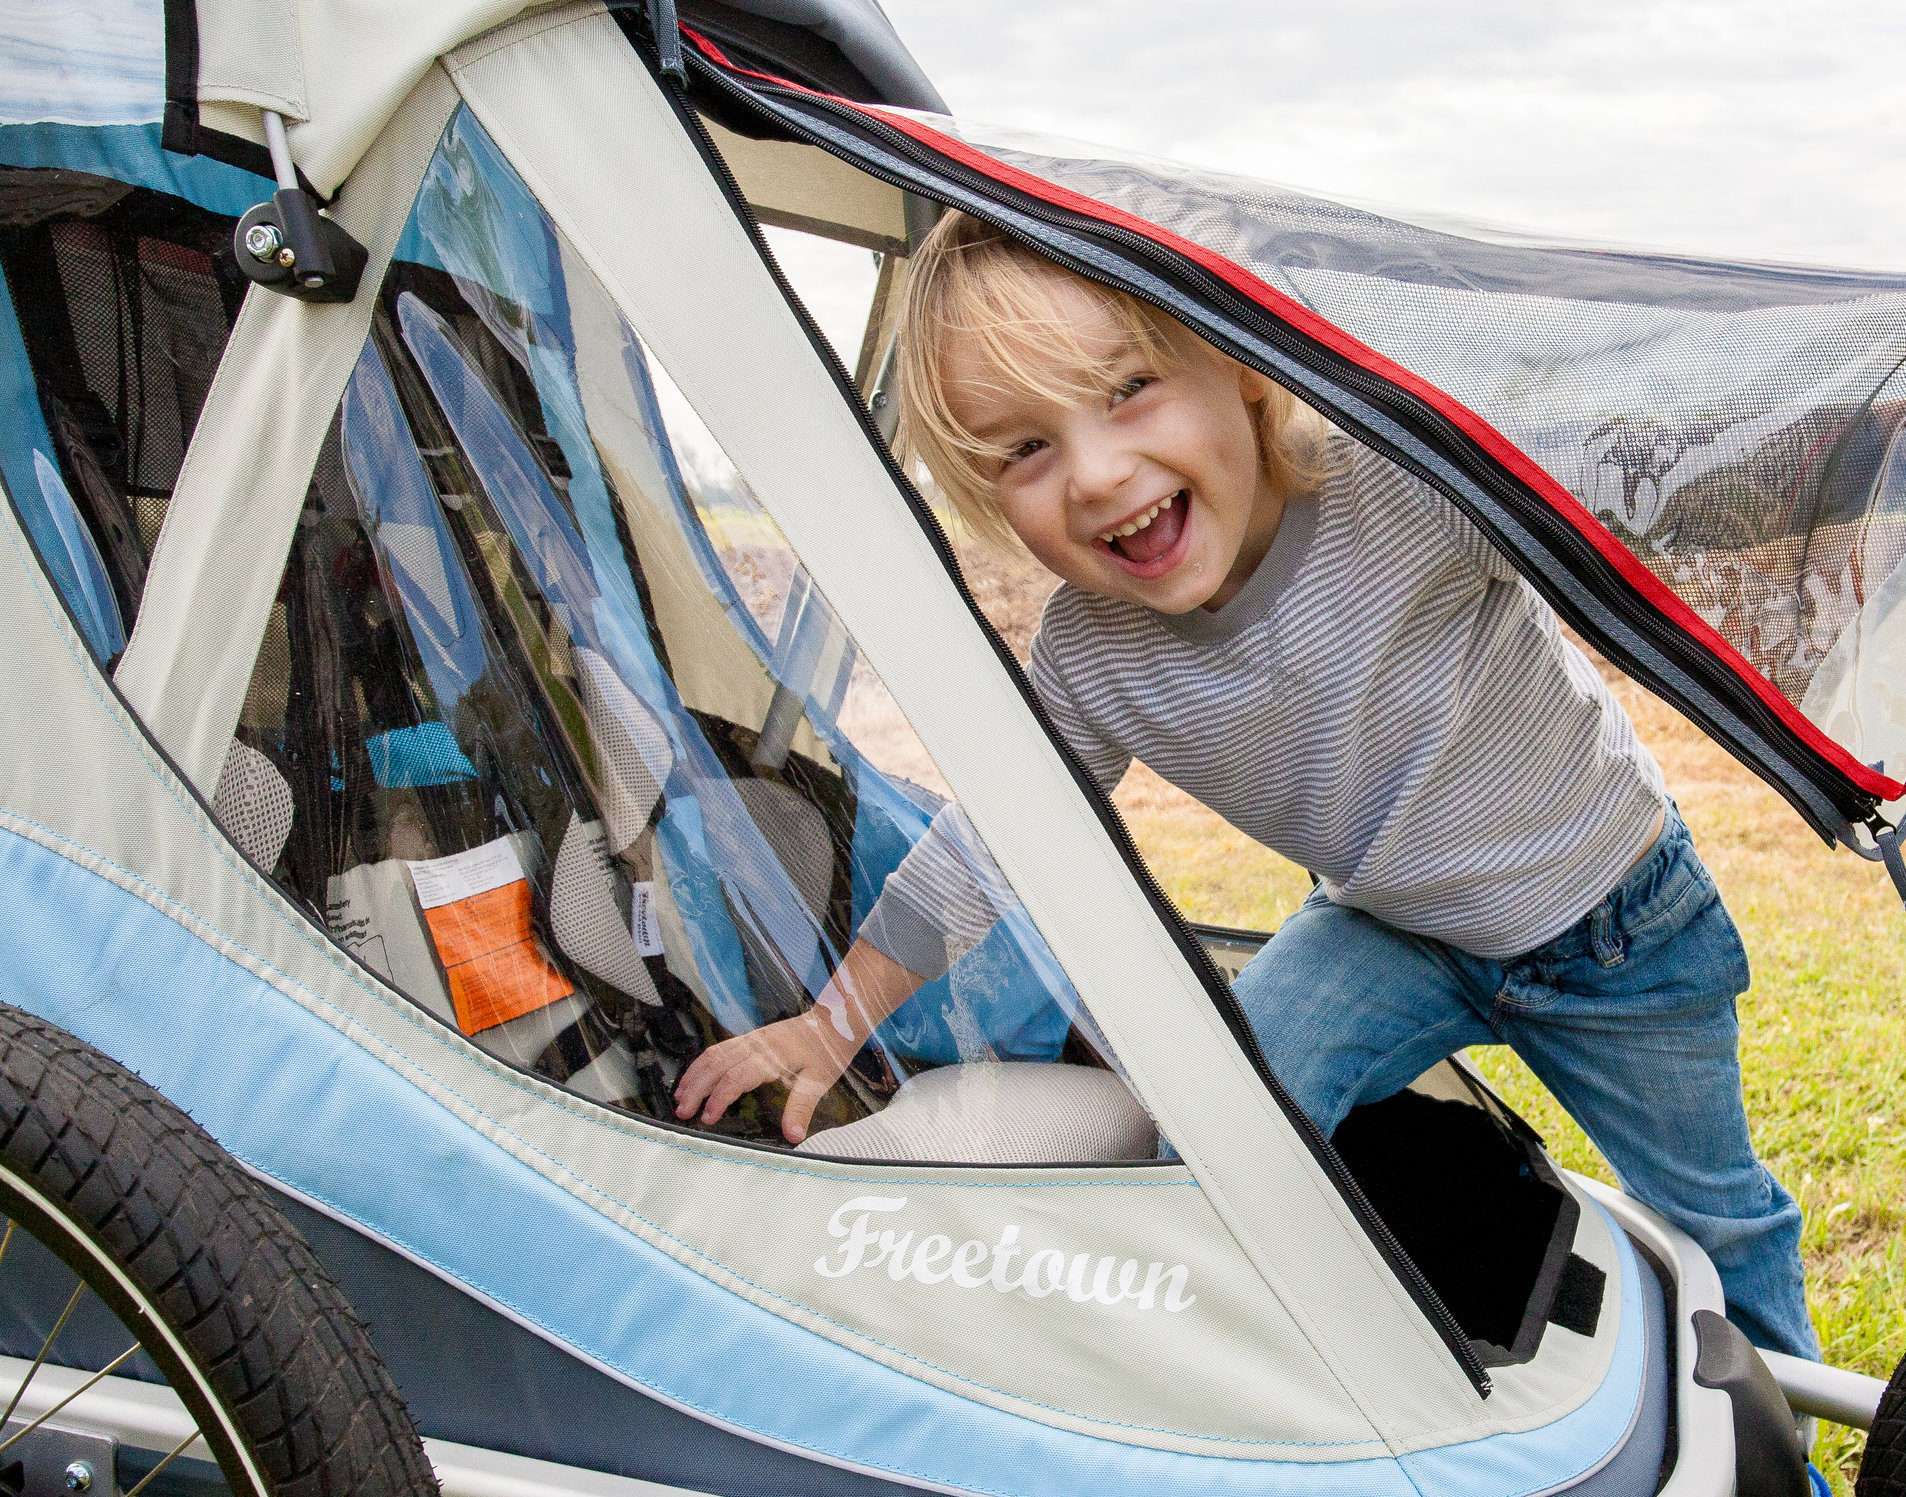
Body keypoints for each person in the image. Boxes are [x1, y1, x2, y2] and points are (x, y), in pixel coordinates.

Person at [672, 209, 1820, 1383]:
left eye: (1127, 387)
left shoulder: (1401, 483)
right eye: (1023, 449)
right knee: (1214, 1130)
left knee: (1715, 1223)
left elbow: (1658, 485)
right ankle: (1332, 1399)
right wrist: (830, 1023)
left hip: (1613, 920)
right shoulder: (1089, 653)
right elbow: (994, 846)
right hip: (1393, 927)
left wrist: (1873, 448)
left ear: (1236, 359)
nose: (1099, 471)